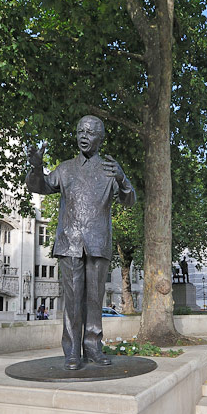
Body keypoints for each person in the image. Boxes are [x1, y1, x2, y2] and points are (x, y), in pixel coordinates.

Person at [26, 116, 136, 370]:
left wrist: (122, 179)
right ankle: (72, 351)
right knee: (73, 301)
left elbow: (129, 201)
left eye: (89, 132)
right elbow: (40, 186)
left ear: (100, 138)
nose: (83, 136)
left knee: (95, 300)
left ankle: (93, 347)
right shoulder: (64, 169)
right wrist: (35, 168)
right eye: (80, 132)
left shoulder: (110, 170)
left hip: (98, 243)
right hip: (70, 242)